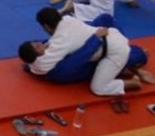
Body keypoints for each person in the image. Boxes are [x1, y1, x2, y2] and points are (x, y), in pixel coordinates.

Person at [20, 7, 150, 97]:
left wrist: (95, 38)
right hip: (108, 37)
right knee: (105, 19)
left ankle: (133, 78)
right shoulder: (67, 20)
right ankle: (128, 63)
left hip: (114, 50)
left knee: (98, 88)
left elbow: (81, 55)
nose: (40, 44)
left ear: (46, 26)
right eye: (37, 46)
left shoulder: (58, 45)